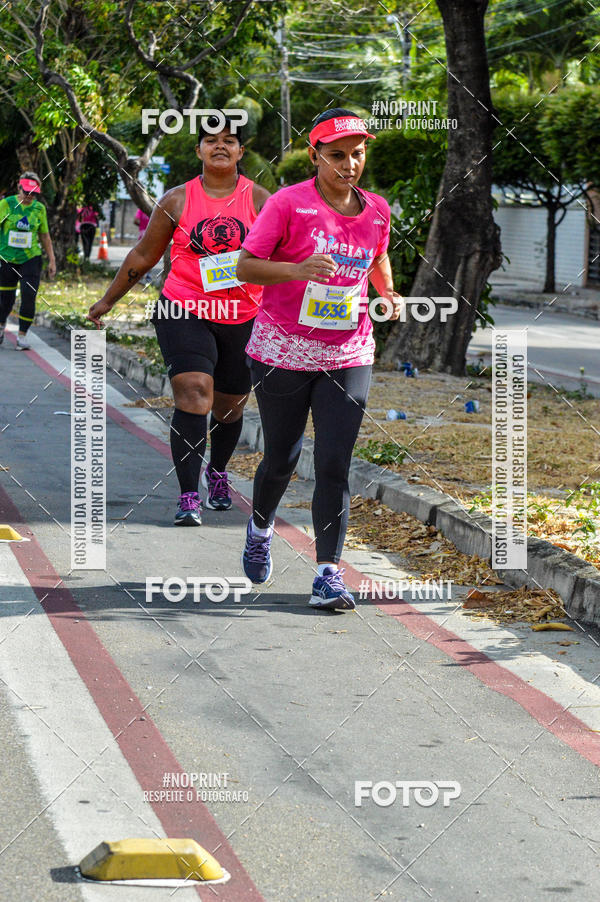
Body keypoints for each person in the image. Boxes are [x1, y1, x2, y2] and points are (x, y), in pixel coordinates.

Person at [236, 108, 402, 611]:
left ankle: (328, 573)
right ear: (315, 156)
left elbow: (376, 258)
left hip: (348, 350)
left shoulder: (376, 209)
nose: (349, 165)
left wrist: (388, 291)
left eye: (357, 154)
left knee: (334, 462)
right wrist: (296, 268)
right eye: (336, 156)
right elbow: (245, 265)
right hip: (283, 347)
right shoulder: (288, 204)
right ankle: (260, 526)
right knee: (282, 457)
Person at [88, 115, 270, 524]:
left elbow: (282, 258)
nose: (219, 146)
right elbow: (142, 256)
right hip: (183, 308)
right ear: (199, 150)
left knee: (229, 407)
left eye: (229, 140)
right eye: (210, 140)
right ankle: (189, 494)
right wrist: (107, 301)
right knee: (193, 393)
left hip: (244, 315)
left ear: (241, 152)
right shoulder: (177, 200)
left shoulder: (261, 200)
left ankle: (218, 472)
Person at [0, 171, 56, 350]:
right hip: (6, 258)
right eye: (26, 192)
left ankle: (22, 335)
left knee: (29, 295)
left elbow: (45, 235)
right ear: (19, 187)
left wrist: (52, 260)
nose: (29, 196)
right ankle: (1, 325)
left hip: (31, 258)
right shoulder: (6, 204)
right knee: (5, 299)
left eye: (34, 193)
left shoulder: (39, 209)